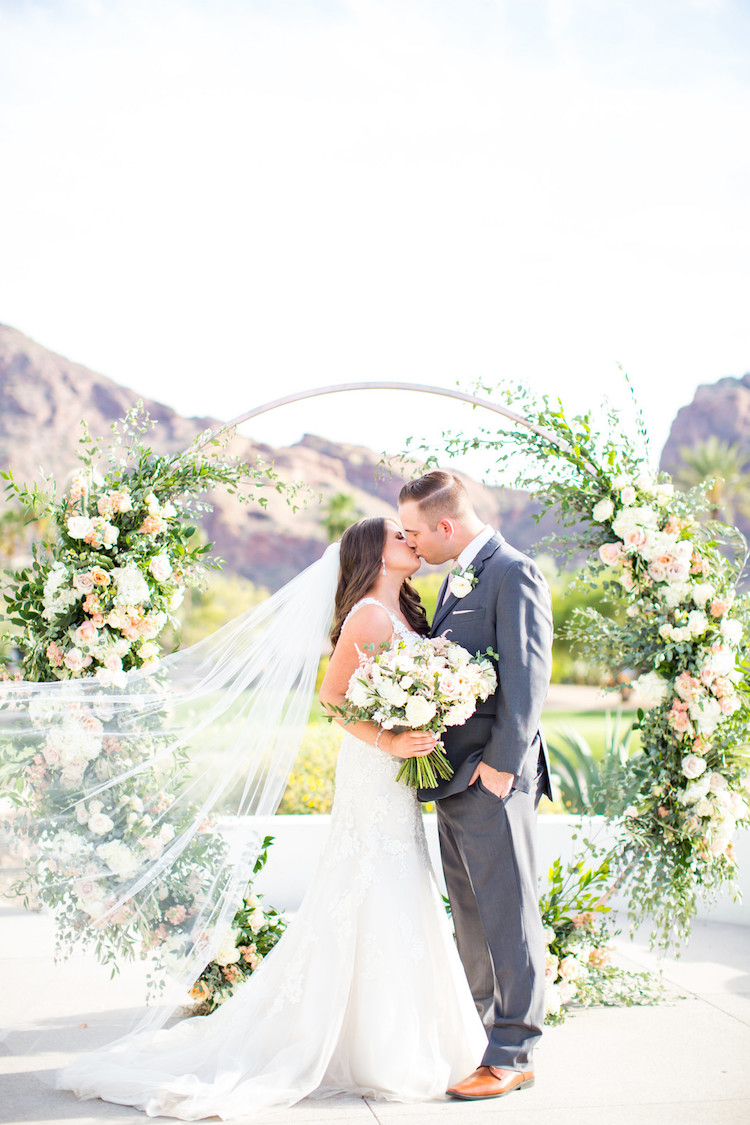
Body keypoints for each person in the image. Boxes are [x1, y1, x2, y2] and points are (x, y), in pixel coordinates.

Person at [56, 517, 487, 1119]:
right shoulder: (367, 614)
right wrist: (389, 743)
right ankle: (374, 1048)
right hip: (373, 771)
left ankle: (391, 1033)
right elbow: (332, 699)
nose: (411, 542)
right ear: (374, 556)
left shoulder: (409, 615)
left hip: (394, 775)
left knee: (399, 887)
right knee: (372, 886)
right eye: (398, 537)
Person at [398, 470, 553, 1102]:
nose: (411, 545)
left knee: (509, 914)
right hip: (453, 782)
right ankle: (481, 1037)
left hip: (491, 779)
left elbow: (528, 677)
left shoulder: (512, 572)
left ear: (445, 525)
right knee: (471, 918)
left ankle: (514, 1052)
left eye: (413, 532)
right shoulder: (460, 575)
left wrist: (501, 769)